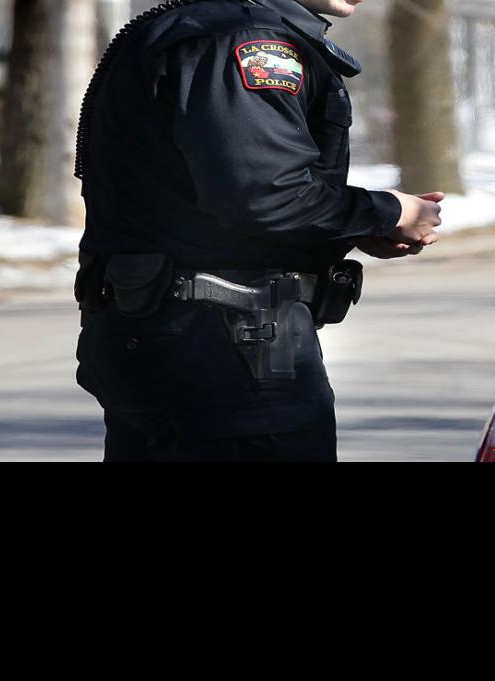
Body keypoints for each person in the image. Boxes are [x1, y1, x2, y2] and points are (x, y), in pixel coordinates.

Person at [74, 0, 442, 462]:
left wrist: (350, 229)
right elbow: (265, 194)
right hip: (227, 349)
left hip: (177, 337)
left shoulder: (205, 26)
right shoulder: (244, 40)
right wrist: (388, 211)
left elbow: (193, 204)